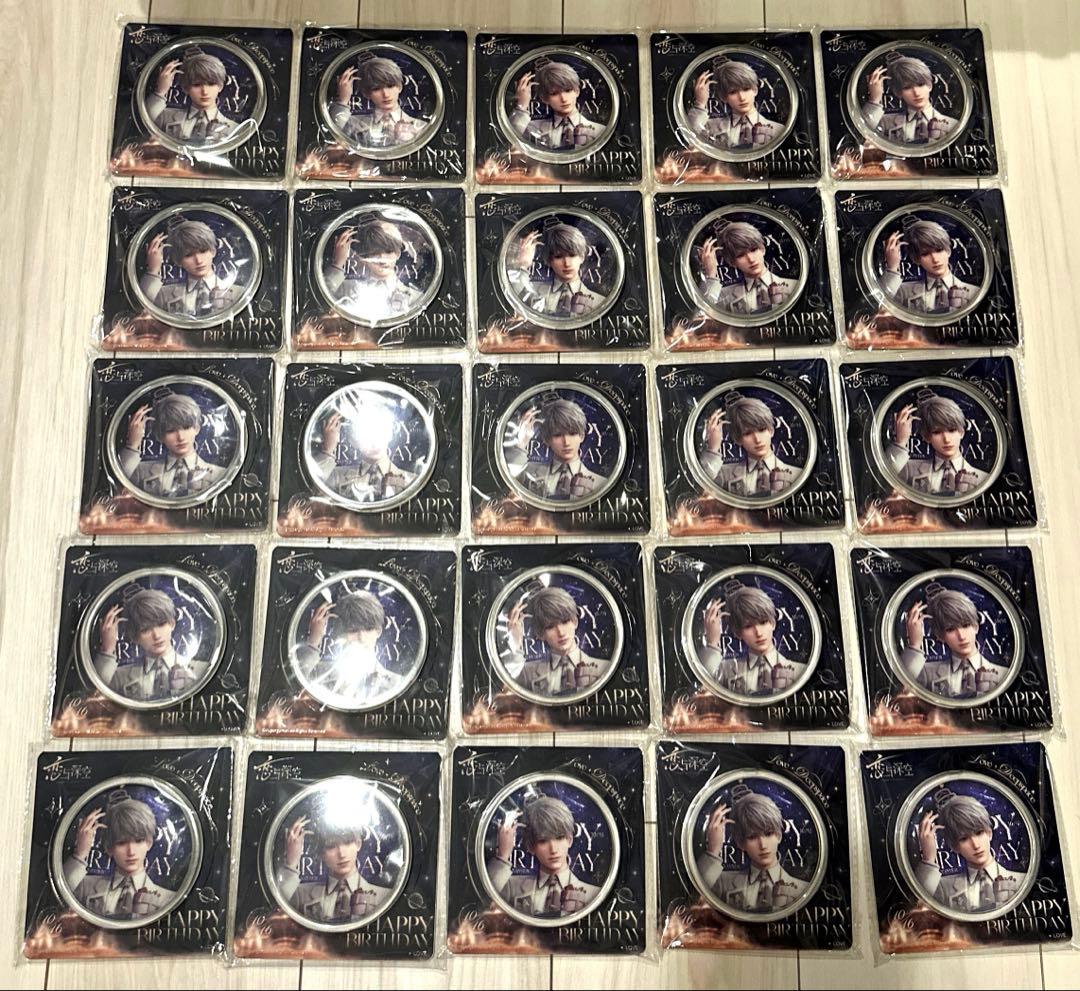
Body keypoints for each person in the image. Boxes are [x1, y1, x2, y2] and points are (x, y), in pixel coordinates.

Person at [62, 789, 175, 919]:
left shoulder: (168, 899)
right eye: (121, 843)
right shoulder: (84, 887)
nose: (131, 852)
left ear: (149, 843)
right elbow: (54, 898)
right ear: (109, 847)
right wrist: (80, 854)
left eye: (138, 841)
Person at [695, 784, 807, 912]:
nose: (763, 845)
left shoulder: (803, 889)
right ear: (740, 842)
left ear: (779, 835)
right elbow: (692, 900)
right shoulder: (722, 883)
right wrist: (713, 850)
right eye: (752, 837)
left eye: (768, 833)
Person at [914, 787, 1027, 913]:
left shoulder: (1022, 881)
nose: (976, 845)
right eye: (964, 838)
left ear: (989, 833)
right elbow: (915, 911)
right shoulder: (943, 888)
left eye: (979, 832)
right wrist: (928, 858)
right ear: (954, 846)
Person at [487, 796, 601, 918]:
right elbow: (482, 905)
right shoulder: (511, 887)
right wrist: (503, 855)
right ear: (531, 846)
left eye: (559, 837)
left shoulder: (594, 894)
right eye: (543, 840)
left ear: (569, 839)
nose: (553, 849)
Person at [92, 588, 209, 702]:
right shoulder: (120, 677)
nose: (156, 635)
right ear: (134, 637)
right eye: (145, 630)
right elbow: (93, 697)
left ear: (172, 623)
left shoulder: (201, 670)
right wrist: (107, 649)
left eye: (161, 624)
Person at [696, 582, 807, 696]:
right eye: (748, 626)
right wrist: (712, 642)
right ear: (738, 632)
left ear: (773, 623)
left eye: (763, 622)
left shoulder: (800, 671)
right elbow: (702, 689)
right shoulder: (725, 670)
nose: (758, 633)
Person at [277, 814, 394, 923]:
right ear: (321, 853)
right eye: (331, 846)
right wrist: (291, 863)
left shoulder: (385, 896)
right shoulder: (301, 895)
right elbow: (276, 913)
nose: (342, 854)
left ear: (358, 844)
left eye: (347, 843)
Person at [900, 583, 1006, 699]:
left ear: (976, 626)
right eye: (950, 629)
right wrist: (915, 645)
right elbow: (900, 693)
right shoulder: (927, 673)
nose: (961, 636)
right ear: (940, 636)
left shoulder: (1004, 674)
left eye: (965, 625)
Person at [503, 586, 613, 695]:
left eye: (565, 621)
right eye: (550, 627)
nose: (561, 632)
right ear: (540, 634)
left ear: (575, 621)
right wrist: (515, 643)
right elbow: (505, 694)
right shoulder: (527, 673)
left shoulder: (604, 668)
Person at [117, 392, 228, 499]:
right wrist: (132, 444)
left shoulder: (220, 474)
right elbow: (116, 489)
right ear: (159, 435)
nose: (181, 437)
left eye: (186, 427)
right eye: (171, 430)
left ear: (197, 428)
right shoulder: (141, 472)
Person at [293, 591, 397, 704]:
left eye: (368, 629)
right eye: (353, 630)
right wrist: (313, 641)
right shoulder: (321, 673)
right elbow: (296, 691)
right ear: (342, 632)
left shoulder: (395, 684)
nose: (361, 638)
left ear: (378, 631)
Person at [311, 402, 418, 504]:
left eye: (380, 431)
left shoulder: (412, 481)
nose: (374, 442)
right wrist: (328, 451)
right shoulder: (336, 476)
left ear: (390, 434)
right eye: (367, 434)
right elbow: (310, 494)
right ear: (353, 440)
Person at [504, 397, 608, 501]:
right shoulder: (527, 473)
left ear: (582, 436)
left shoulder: (601, 484)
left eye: (572, 433)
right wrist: (521, 445)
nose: (566, 442)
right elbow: (507, 486)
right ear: (547, 439)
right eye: (558, 435)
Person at [887, 390, 988, 496]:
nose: (946, 439)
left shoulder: (983, 478)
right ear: (926, 437)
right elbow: (883, 483)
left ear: (961, 432)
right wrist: (900, 442)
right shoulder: (909, 469)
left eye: (952, 430)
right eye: (937, 432)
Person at [139, 218, 245, 319]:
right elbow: (142, 309)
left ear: (213, 251)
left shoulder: (239, 293)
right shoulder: (164, 294)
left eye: (203, 251)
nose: (199, 260)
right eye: (188, 255)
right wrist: (153, 270)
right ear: (178, 261)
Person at [698, 394, 800, 497]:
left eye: (761, 429)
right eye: (747, 433)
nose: (757, 439)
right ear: (738, 439)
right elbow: (699, 492)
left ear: (771, 430)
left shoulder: (797, 475)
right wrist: (713, 449)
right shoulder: (724, 474)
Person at [322, 220, 423, 319]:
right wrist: (338, 263)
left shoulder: (415, 297)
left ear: (398, 254)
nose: (382, 259)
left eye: (388, 251)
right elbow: (321, 301)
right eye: (374, 253)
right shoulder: (346, 289)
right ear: (363, 257)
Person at [878, 219, 979, 315]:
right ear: (916, 259)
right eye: (925, 254)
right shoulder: (903, 292)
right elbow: (877, 308)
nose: (935, 259)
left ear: (948, 251)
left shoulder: (975, 292)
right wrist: (892, 267)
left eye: (939, 250)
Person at [697, 221, 797, 316]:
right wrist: (711, 274)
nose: (751, 259)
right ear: (732, 262)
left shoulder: (794, 286)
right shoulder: (723, 295)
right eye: (740, 255)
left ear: (762, 249)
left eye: (753, 250)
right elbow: (701, 315)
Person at [507, 223, 605, 318]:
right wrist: (523, 265)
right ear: (549, 260)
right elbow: (513, 298)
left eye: (572, 255)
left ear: (582, 257)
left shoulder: (600, 303)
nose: (567, 263)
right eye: (558, 256)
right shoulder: (532, 291)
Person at [329, 56, 429, 149]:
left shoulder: (421, 127)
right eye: (376, 89)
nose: (386, 94)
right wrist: (343, 100)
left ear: (399, 87)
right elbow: (332, 138)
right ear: (366, 93)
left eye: (390, 86)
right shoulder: (353, 124)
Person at [145, 46, 239, 144]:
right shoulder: (166, 117)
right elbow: (144, 121)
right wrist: (160, 91)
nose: (205, 91)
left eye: (211, 84)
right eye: (197, 85)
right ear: (186, 88)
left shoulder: (234, 129)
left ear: (220, 86)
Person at [685, 57, 784, 151]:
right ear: (723, 97)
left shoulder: (778, 130)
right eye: (733, 92)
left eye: (746, 89)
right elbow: (689, 143)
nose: (742, 97)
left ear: (755, 90)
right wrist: (700, 103)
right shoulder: (710, 127)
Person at [861, 53, 959, 145]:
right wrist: (874, 99)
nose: (916, 93)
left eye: (920, 84)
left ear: (930, 85)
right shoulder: (885, 122)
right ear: (898, 92)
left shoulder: (953, 125)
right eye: (907, 87)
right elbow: (861, 139)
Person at [508, 61, 604, 150]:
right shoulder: (532, 128)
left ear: (577, 91)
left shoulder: (600, 131)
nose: (563, 99)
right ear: (544, 98)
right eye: (554, 93)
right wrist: (522, 105)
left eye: (568, 90)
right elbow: (508, 145)